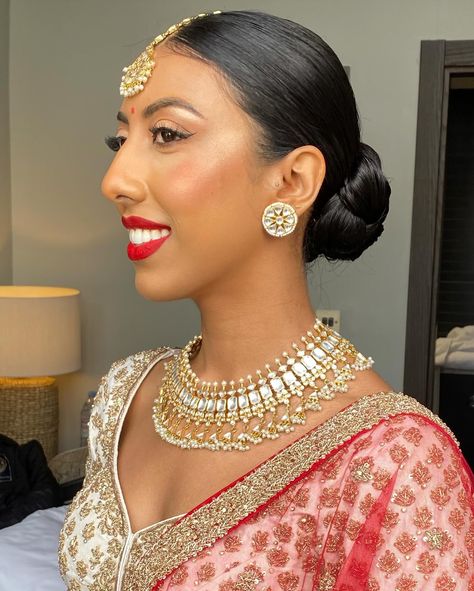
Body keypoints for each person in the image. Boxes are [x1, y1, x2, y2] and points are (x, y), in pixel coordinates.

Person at [58, 9, 474, 591]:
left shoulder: (394, 463)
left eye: (168, 135)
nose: (115, 179)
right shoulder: (125, 397)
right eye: (120, 140)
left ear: (293, 182)